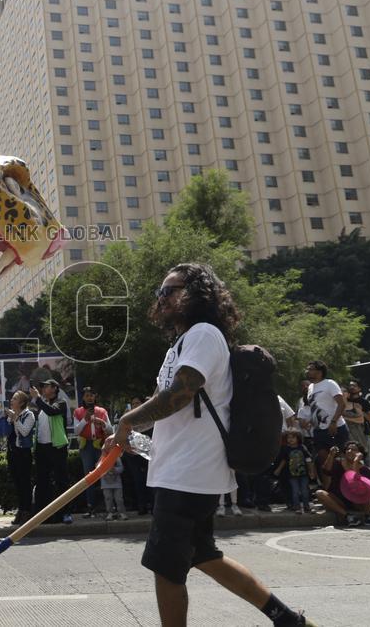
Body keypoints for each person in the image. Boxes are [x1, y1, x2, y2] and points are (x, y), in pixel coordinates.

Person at [105, 262, 312, 626]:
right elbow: (163, 405)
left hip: (190, 473)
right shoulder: (181, 344)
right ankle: (288, 620)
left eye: (171, 290)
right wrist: (129, 435)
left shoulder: (203, 334)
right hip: (183, 470)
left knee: (166, 567)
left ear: (196, 294)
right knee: (203, 555)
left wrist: (126, 421)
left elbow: (182, 393)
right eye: (160, 292)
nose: (162, 297)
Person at [313, 441, 370, 528]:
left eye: (353, 449)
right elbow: (326, 471)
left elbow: (357, 483)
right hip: (338, 498)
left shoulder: (366, 470)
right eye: (348, 449)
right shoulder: (337, 463)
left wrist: (355, 462)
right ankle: (348, 516)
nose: (350, 451)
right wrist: (331, 455)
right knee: (319, 493)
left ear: (360, 453)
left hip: (356, 500)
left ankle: (368, 517)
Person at [31, 378, 73, 524]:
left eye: (47, 386)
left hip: (57, 447)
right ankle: (42, 514)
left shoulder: (60, 402)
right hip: (42, 448)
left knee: (62, 481)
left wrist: (37, 399)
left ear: (55, 388)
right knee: (42, 481)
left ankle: (66, 512)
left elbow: (52, 412)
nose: (43, 389)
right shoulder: (42, 404)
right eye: (42, 387)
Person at [305, 360, 348, 486]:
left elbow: (341, 404)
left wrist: (333, 422)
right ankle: (328, 490)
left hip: (335, 428)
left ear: (320, 372)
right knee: (323, 462)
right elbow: (316, 406)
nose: (308, 371)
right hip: (319, 430)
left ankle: (345, 488)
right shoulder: (310, 387)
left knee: (339, 461)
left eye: (311, 369)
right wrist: (311, 421)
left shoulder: (330, 384)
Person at [74, 386, 113, 517]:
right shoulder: (78, 412)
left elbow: (110, 430)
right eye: (87, 395)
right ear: (83, 398)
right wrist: (85, 419)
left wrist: (103, 423)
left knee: (105, 474)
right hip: (86, 447)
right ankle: (91, 507)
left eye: (91, 395)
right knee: (88, 477)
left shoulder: (102, 411)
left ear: (95, 397)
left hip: (100, 445)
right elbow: (76, 431)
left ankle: (108, 507)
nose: (89, 398)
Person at [3, 389, 36, 525]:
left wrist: (15, 418)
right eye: (12, 399)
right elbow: (6, 433)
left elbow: (24, 431)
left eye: (15, 399)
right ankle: (21, 510)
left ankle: (27, 511)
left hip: (23, 453)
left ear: (22, 403)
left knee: (25, 483)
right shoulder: (12, 414)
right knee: (17, 483)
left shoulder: (29, 415)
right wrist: (7, 419)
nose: (12, 401)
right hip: (13, 452)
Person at [273, 430, 316, 514]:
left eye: (293, 437)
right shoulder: (286, 449)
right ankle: (297, 507)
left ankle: (307, 507)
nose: (290, 439)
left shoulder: (302, 447)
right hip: (292, 475)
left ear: (298, 438)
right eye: (288, 438)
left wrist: (311, 471)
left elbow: (308, 460)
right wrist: (278, 470)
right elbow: (284, 460)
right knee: (295, 491)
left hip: (303, 474)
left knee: (305, 491)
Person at [343, 380, 370, 469]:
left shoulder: (364, 402)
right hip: (348, 433)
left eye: (354, 386)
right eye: (350, 385)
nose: (352, 387)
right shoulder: (345, 401)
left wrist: (361, 411)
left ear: (359, 388)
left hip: (363, 433)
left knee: (366, 457)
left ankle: (368, 476)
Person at [100, 451, 128, 520]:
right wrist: (105, 469)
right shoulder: (101, 458)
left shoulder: (116, 457)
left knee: (119, 499)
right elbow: (98, 469)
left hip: (117, 483)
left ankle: (121, 512)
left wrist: (114, 469)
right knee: (108, 498)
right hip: (105, 483)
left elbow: (121, 468)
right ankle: (110, 513)